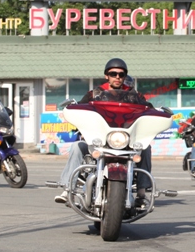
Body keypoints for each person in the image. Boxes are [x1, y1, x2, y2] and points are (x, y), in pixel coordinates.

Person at [55, 58, 155, 203]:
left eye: (121, 74)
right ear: (106, 76)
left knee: (146, 148)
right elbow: (81, 108)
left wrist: (157, 115)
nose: (117, 77)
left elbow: (147, 109)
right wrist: (74, 113)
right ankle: (68, 188)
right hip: (98, 140)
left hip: (125, 140)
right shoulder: (94, 94)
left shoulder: (135, 96)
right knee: (77, 146)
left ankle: (141, 191)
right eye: (113, 74)